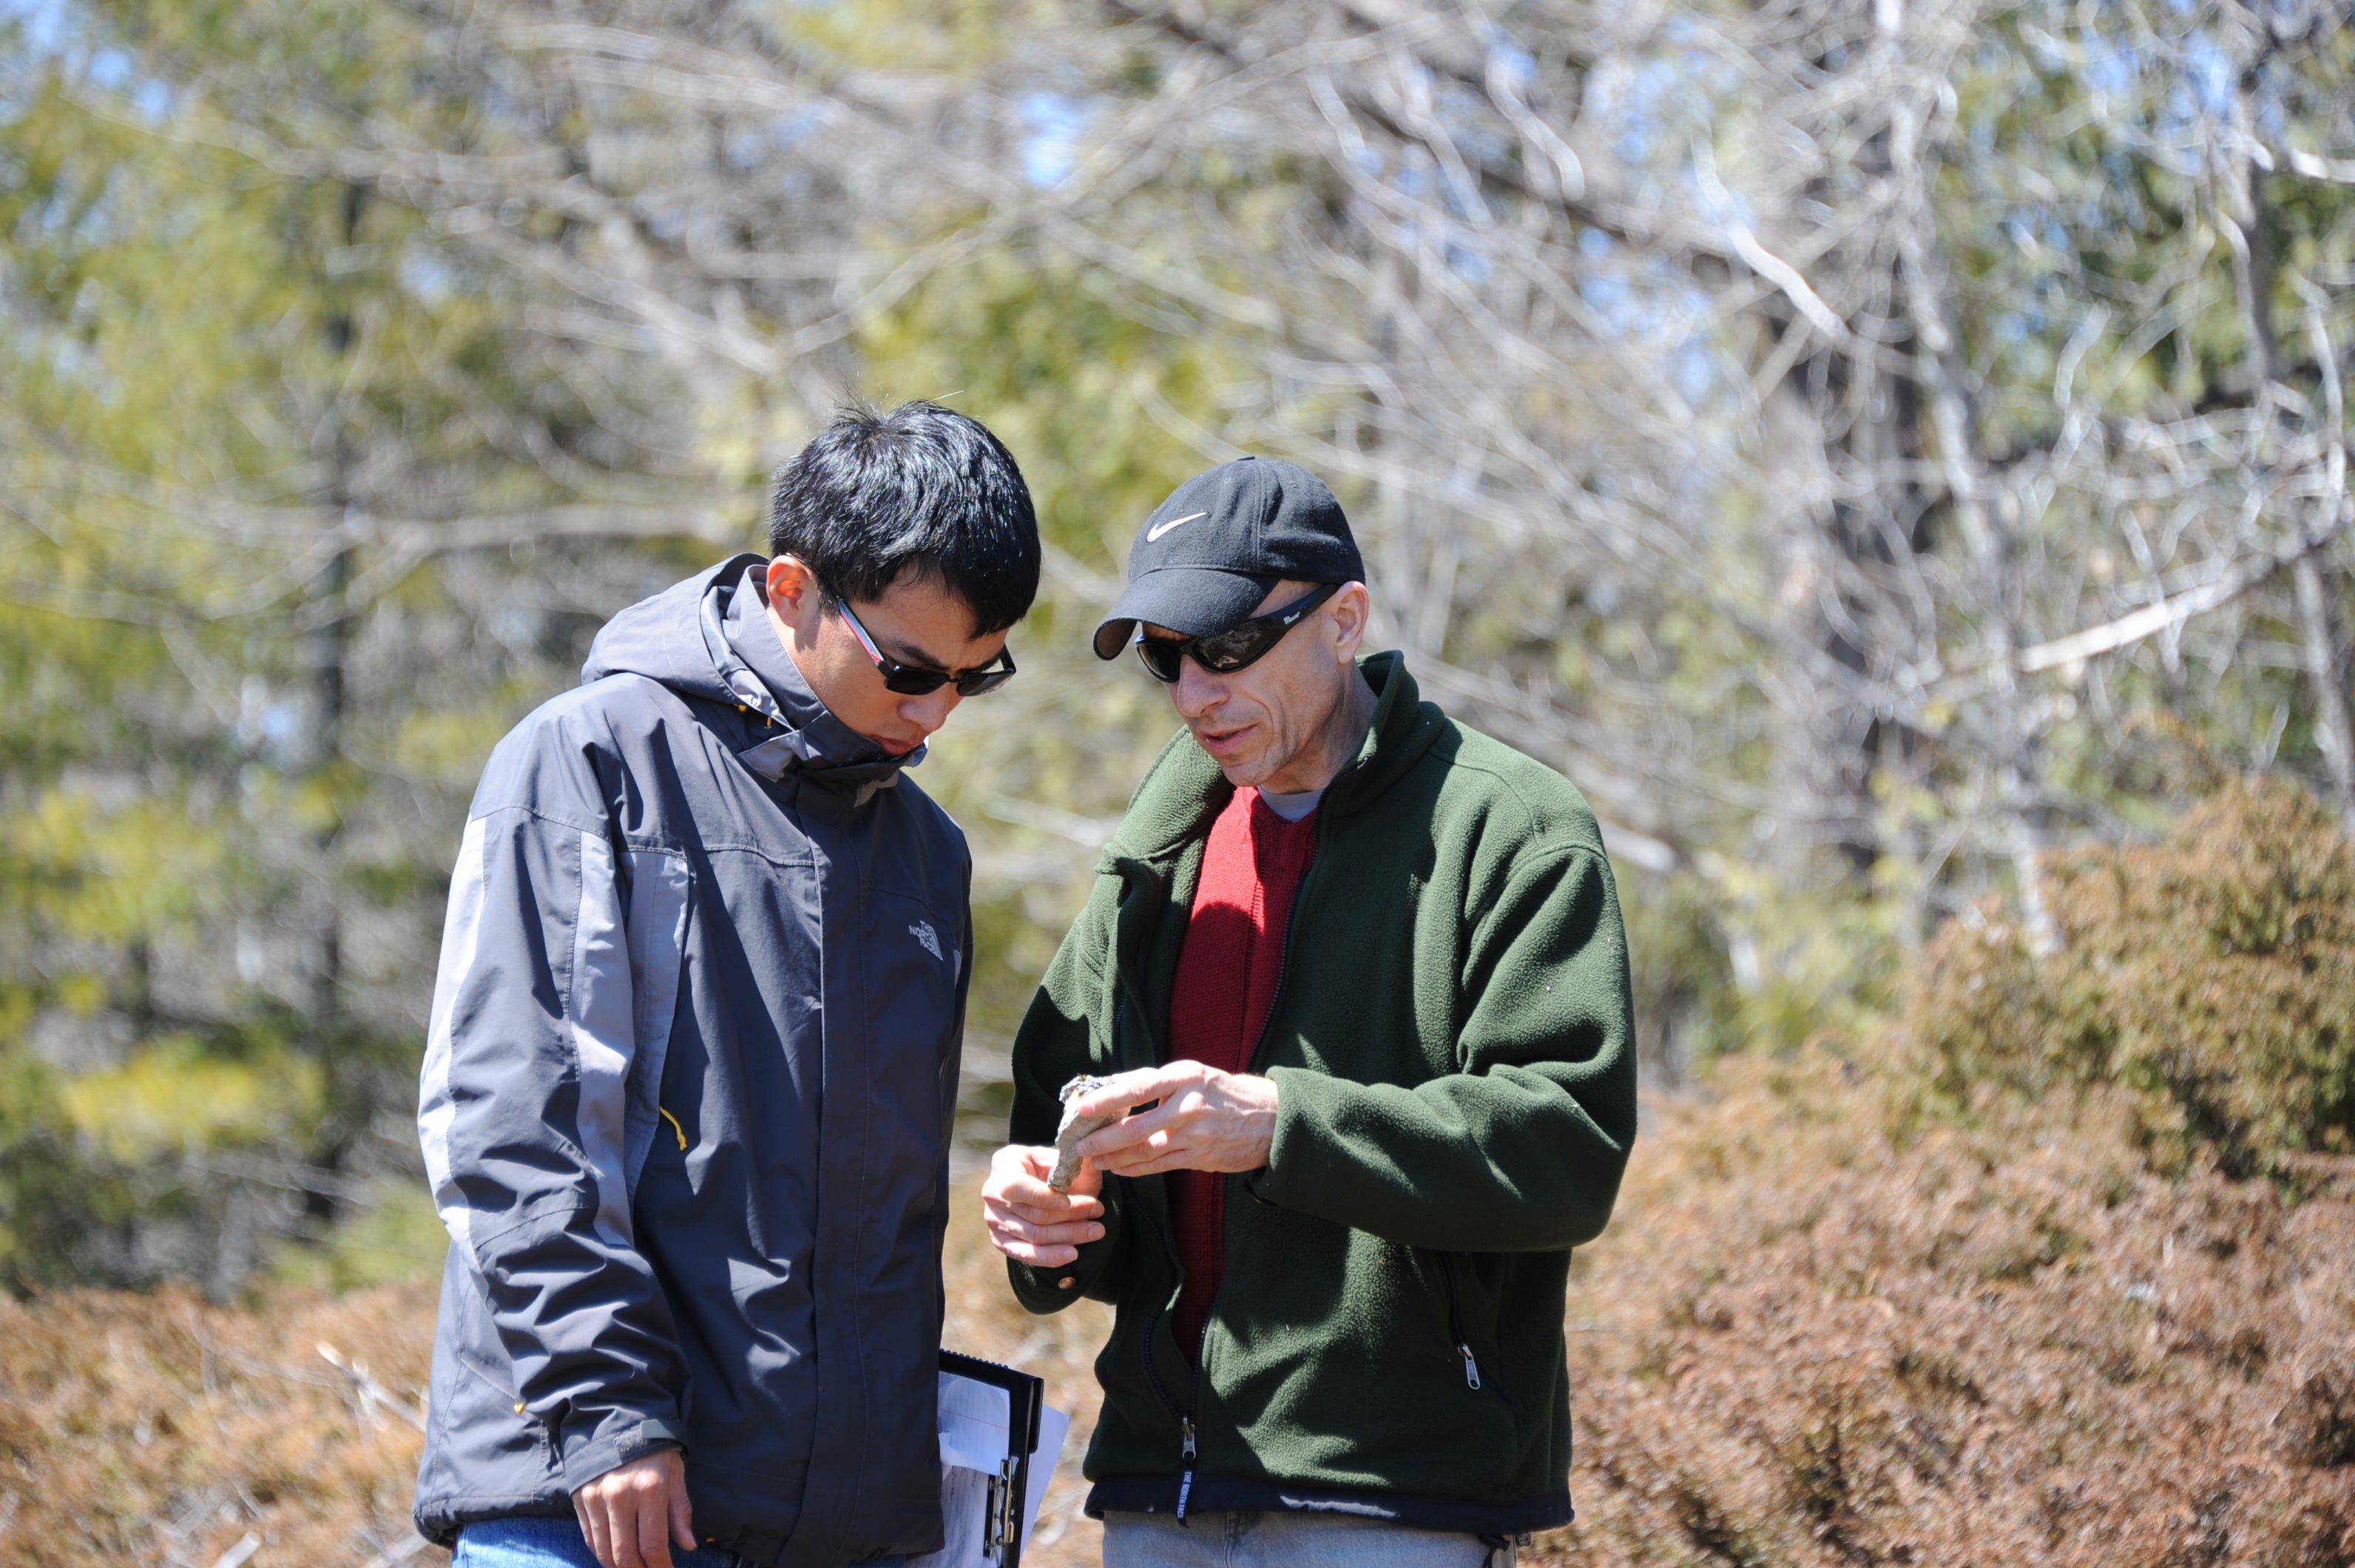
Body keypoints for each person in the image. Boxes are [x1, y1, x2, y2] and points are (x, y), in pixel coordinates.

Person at [413, 401, 1041, 1568]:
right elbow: (510, 1122)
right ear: (793, 588)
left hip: (849, 1529)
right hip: (598, 1504)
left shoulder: (927, 854)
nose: (937, 711)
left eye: (978, 675)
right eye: (910, 668)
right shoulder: (588, 762)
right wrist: (608, 1419)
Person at [980, 456, 1636, 1568]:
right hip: (1156, 1495)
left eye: (1229, 647)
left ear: (1345, 622)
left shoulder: (1513, 829)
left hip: (1393, 1502)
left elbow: (1566, 1151)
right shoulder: (1154, 856)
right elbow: (1059, 1148)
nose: (1195, 692)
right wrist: (1042, 1214)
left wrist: (1282, 1126)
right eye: (1165, 657)